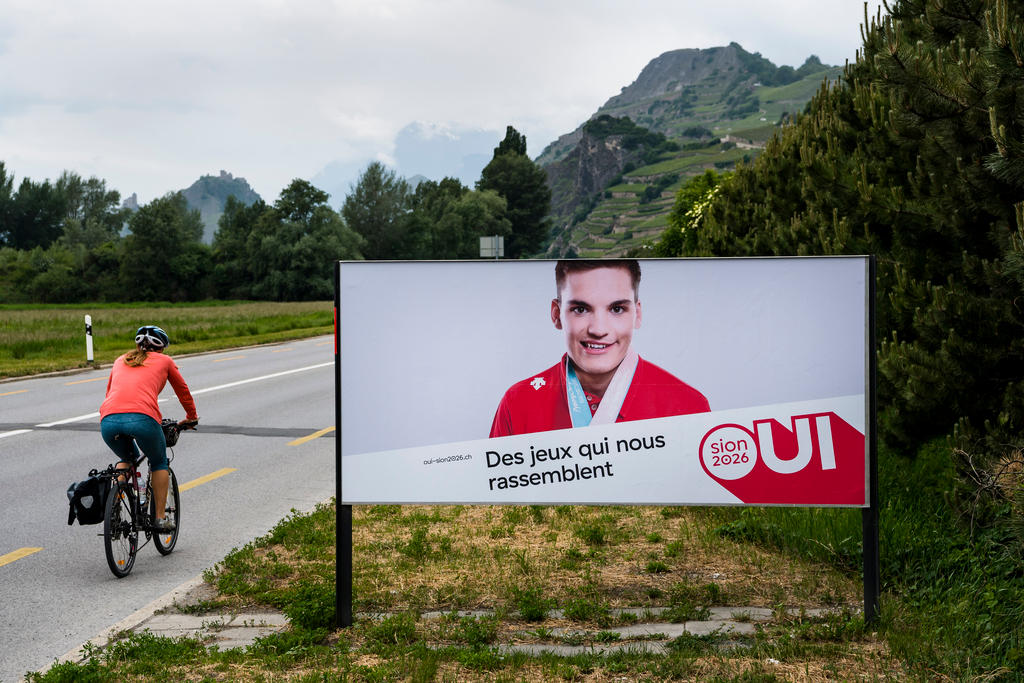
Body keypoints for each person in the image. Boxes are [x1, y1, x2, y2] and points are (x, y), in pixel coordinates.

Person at [489, 259, 709, 437]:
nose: (598, 329)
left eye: (617, 308)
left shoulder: (688, 406)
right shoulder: (518, 403)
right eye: (581, 309)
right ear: (556, 314)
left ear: (637, 314)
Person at [99, 325, 199, 531]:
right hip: (143, 418)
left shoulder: (120, 359)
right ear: (161, 348)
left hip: (108, 420)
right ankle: (160, 518)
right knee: (159, 461)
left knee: (127, 459)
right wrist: (191, 417)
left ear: (137, 344)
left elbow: (109, 393)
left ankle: (116, 506)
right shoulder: (165, 361)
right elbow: (183, 391)